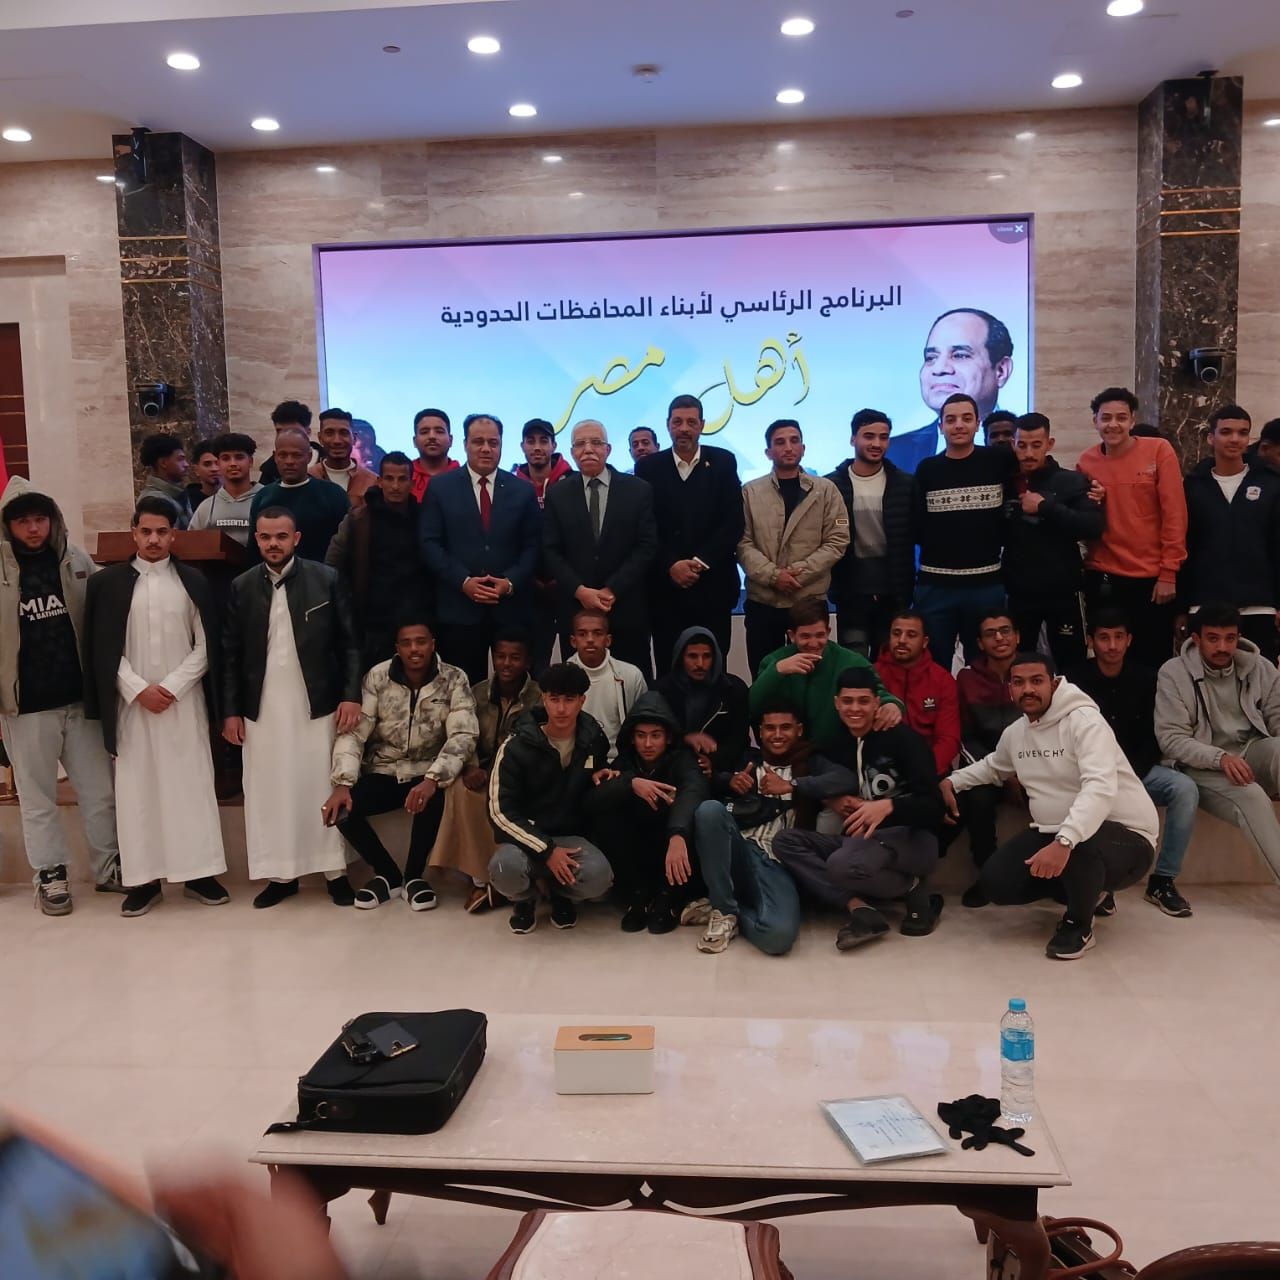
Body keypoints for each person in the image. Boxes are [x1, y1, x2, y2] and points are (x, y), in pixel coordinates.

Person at [944, 652, 1157, 960]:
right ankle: (1093, 892)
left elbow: (1099, 787)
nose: (1028, 689)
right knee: (996, 883)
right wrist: (952, 782)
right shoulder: (1016, 733)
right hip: (1056, 832)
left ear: (1054, 685)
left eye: (1037, 681)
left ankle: (1078, 925)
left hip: (1127, 838)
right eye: (1019, 683)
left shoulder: (1085, 722)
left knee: (1080, 847)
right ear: (1010, 689)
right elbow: (994, 766)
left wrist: (1065, 840)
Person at [82, 496, 227, 916]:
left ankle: (199, 873)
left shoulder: (192, 581)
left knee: (190, 786)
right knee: (137, 792)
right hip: (132, 706)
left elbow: (207, 645)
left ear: (173, 535)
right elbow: (102, 647)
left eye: (162, 532)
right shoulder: (107, 584)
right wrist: (137, 688)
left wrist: (173, 686)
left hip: (183, 703)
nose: (153, 539)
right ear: (134, 533)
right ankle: (144, 880)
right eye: (145, 531)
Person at [221, 507, 361, 908]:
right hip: (261, 707)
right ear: (256, 539)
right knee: (269, 789)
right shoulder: (242, 586)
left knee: (320, 783)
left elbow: (350, 643)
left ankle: (335, 873)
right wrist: (230, 711)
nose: (273, 544)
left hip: (317, 702)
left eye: (281, 536)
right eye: (265, 537)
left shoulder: (326, 578)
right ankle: (280, 875)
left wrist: (351, 695)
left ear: (296, 538)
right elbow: (229, 654)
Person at [0, 478, 121, 913]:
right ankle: (50, 876)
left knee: (100, 791)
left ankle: (109, 868)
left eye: (40, 519)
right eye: (23, 522)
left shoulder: (76, 560)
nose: (33, 529)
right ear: (8, 526)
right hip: (26, 707)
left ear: (52, 520)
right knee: (38, 799)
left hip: (79, 700)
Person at [772, 668, 944, 949]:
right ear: (836, 703)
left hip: (911, 840)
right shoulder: (835, 743)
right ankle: (859, 907)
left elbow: (934, 806)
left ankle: (912, 885)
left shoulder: (904, 739)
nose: (855, 709)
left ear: (877, 703)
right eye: (848, 701)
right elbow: (820, 777)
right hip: (860, 841)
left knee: (841, 865)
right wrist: (832, 800)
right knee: (785, 842)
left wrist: (888, 806)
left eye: (863, 701)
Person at [324, 615, 478, 910]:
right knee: (343, 811)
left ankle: (414, 877)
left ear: (433, 644)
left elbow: (463, 734)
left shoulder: (454, 678)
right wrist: (342, 783)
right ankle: (388, 875)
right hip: (385, 769)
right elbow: (354, 734)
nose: (414, 649)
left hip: (428, 771)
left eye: (421, 642)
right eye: (406, 643)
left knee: (434, 799)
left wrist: (433, 779)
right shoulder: (377, 677)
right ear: (397, 648)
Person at [1069, 609, 1197, 917]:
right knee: (1089, 795)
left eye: (1118, 637)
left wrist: (1131, 775)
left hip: (1139, 772)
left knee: (1184, 789)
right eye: (1104, 638)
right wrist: (1103, 776)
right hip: (1090, 773)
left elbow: (1157, 735)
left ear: (1129, 640)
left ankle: (1162, 881)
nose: (1112, 645)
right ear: (1091, 641)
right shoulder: (1073, 680)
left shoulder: (1149, 679)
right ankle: (1102, 885)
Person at [487, 661, 615, 934]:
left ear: (582, 701)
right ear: (543, 699)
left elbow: (596, 768)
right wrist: (546, 851)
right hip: (526, 839)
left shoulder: (593, 739)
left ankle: (560, 894)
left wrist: (602, 772)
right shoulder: (516, 746)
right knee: (504, 867)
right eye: (554, 699)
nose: (561, 708)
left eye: (569, 700)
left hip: (570, 836)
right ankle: (524, 899)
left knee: (600, 877)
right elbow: (500, 813)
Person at [1155, 604, 1280, 882]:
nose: (1222, 647)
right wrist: (1220, 758)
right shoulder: (1173, 673)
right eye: (1213, 638)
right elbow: (1171, 739)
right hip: (1201, 767)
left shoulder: (1261, 668)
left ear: (1239, 638)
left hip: (1251, 754)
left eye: (1230, 638)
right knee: (1252, 796)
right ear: (1196, 638)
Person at [420, 413, 540, 683]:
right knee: (461, 688)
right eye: (478, 442)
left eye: (493, 442)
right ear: (465, 444)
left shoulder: (523, 490)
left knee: (515, 688)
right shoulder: (440, 487)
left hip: (510, 610)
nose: (486, 448)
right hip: (458, 609)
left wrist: (510, 582)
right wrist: (463, 582)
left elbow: (533, 546)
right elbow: (429, 543)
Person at [1077, 386, 1187, 669]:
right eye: (1106, 418)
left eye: (1121, 417)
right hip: (1104, 576)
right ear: (1095, 421)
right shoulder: (1086, 462)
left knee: (1152, 660)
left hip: (1151, 578)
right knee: (1107, 660)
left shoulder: (1158, 450)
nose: (1113, 424)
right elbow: (1083, 518)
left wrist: (1169, 572)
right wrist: (1093, 502)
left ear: (1132, 420)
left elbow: (1174, 514)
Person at [688, 703, 811, 956]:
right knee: (709, 810)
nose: (777, 735)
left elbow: (841, 780)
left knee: (777, 937)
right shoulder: (745, 759)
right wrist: (729, 781)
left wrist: (793, 787)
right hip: (739, 850)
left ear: (799, 730)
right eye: (770, 728)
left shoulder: (812, 763)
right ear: (760, 732)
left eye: (785, 728)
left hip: (777, 862)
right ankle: (724, 910)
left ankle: (726, 909)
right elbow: (707, 778)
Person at [542, 419, 659, 678]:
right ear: (571, 452)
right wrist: (580, 590)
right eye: (580, 444)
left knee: (633, 684)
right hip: (576, 609)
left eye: (596, 443)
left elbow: (646, 546)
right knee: (576, 686)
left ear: (608, 449)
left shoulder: (638, 490)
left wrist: (612, 589)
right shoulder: (558, 494)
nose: (588, 449)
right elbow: (550, 550)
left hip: (626, 608)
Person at [435, 632, 542, 912]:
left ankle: (506, 880)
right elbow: (463, 732)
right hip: (480, 772)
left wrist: (501, 772)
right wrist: (470, 765)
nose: (506, 663)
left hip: (519, 775)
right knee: (460, 789)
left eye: (515, 657)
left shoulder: (540, 697)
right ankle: (481, 878)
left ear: (528, 662)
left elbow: (537, 745)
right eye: (500, 656)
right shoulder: (476, 692)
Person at [636, 393, 744, 666]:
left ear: (702, 425)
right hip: (665, 589)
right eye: (677, 422)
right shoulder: (648, 467)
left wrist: (699, 562)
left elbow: (733, 521)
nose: (684, 428)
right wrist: (671, 564)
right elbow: (645, 526)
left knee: (714, 666)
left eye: (691, 422)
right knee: (668, 666)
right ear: (668, 425)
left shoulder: (723, 461)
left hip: (713, 586)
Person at [587, 691, 709, 933]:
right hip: (637, 852)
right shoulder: (624, 763)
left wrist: (678, 833)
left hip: (673, 847)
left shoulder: (683, 760)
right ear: (632, 738)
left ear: (668, 738)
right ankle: (638, 895)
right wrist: (630, 783)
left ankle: (669, 895)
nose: (648, 744)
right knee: (608, 812)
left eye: (655, 735)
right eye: (641, 736)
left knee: (696, 817)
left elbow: (694, 792)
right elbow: (590, 802)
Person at [912, 392, 1017, 668]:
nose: (959, 425)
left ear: (977, 423)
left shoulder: (997, 462)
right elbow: (917, 525)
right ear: (941, 426)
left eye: (966, 418)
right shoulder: (927, 469)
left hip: (986, 584)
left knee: (984, 665)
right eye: (951, 420)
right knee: (934, 664)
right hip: (936, 586)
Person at [738, 419, 850, 675]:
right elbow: (742, 542)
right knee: (765, 674)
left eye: (794, 440)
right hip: (763, 600)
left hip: (808, 599)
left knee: (812, 676)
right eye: (780, 442)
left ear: (803, 448)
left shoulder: (826, 490)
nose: (788, 447)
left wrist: (798, 573)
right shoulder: (750, 492)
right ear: (768, 452)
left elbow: (837, 540)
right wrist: (774, 576)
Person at [1180, 405, 1280, 663]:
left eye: (1242, 433)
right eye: (1226, 432)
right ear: (1211, 437)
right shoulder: (1192, 486)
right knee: (1205, 679)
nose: (1235, 439)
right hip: (1205, 602)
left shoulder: (1271, 484)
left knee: (1261, 679)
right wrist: (1180, 607)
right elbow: (1184, 546)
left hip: (1259, 603)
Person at [1003, 412, 1104, 668]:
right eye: (1022, 445)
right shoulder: (1004, 482)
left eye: (1036, 445)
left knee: (1072, 666)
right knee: (1018, 664)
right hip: (1019, 592)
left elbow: (1093, 526)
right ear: (1013, 444)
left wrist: (1046, 507)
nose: (1028, 453)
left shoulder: (1071, 481)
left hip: (1063, 591)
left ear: (1049, 444)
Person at [750, 597, 902, 750]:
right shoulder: (775, 662)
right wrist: (777, 671)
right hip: (788, 754)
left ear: (828, 632)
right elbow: (752, 706)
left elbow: (878, 692)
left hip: (836, 753)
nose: (813, 643)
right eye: (805, 636)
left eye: (820, 635)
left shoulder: (851, 661)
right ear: (792, 636)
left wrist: (891, 704)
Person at [826, 408, 917, 658]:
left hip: (894, 592)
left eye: (883, 437)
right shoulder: (831, 485)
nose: (877, 443)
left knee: (888, 662)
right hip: (850, 592)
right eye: (869, 436)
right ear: (853, 439)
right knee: (853, 662)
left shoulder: (905, 484)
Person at [325, 451, 427, 670]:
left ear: (411, 483)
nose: (395, 486)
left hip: (416, 618)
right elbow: (332, 563)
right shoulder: (359, 517)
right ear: (379, 481)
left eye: (402, 479)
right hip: (371, 620)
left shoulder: (424, 518)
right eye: (389, 478)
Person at [950, 611, 1024, 905]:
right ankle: (988, 876)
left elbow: (1047, 730)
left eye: (1005, 631)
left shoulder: (1034, 672)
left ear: (1017, 637)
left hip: (1033, 763)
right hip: (986, 765)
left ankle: (1062, 875)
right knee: (977, 797)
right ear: (980, 643)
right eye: (990, 633)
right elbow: (964, 737)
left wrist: (1021, 772)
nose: (999, 638)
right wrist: (1003, 774)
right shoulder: (967, 678)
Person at [887, 308, 1015, 472]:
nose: (939, 369)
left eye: (960, 355)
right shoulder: (893, 452)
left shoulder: (1024, 444)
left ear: (1001, 370)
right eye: (931, 358)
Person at [655, 626, 750, 785]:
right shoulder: (661, 691)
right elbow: (654, 736)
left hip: (723, 770)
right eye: (692, 656)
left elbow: (739, 740)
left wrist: (713, 761)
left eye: (707, 656)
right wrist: (685, 738)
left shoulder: (733, 689)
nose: (700, 664)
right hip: (672, 770)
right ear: (680, 657)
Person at [875, 609, 961, 777]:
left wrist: (922, 770)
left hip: (930, 768)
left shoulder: (942, 680)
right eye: (896, 633)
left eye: (911, 635)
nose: (902, 640)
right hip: (881, 770)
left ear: (924, 642)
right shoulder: (873, 675)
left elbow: (949, 739)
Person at [249, 426, 349, 563]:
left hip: (323, 574)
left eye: (296, 455)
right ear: (275, 456)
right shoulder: (262, 497)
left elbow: (348, 546)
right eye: (283, 455)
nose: (289, 461)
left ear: (309, 456)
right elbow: (254, 550)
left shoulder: (333, 495)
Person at [565, 608, 648, 757]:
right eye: (582, 634)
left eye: (597, 633)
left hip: (619, 760)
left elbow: (644, 724)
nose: (590, 639)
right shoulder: (560, 677)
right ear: (573, 641)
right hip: (573, 760)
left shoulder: (631, 675)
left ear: (608, 640)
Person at [189, 433, 262, 546]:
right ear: (219, 463)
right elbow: (192, 546)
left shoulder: (267, 498)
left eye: (239, 457)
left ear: (250, 461)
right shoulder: (206, 508)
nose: (233, 464)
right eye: (226, 458)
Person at [309, 407, 378, 506]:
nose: (337, 440)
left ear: (354, 438)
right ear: (320, 438)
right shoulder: (309, 477)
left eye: (344, 433)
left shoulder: (372, 481)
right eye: (329, 433)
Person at [137, 432, 193, 529]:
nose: (186, 465)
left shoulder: (177, 494)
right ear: (163, 463)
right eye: (180, 459)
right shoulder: (153, 501)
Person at [513, 417, 573, 505]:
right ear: (522, 447)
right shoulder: (512, 487)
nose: (537, 447)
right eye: (531, 442)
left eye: (543, 441)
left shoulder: (573, 483)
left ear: (554, 446)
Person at [258, 400, 319, 484]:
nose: (286, 436)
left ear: (308, 431)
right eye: (280, 431)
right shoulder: (270, 470)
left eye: (294, 431)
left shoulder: (328, 461)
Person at [410, 407, 459, 502]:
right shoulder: (403, 478)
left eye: (439, 431)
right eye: (424, 432)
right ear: (415, 441)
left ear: (451, 440)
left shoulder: (465, 479)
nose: (432, 436)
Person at [186, 439, 221, 512]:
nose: (214, 469)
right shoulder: (187, 502)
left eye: (218, 463)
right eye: (207, 464)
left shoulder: (237, 498)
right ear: (196, 469)